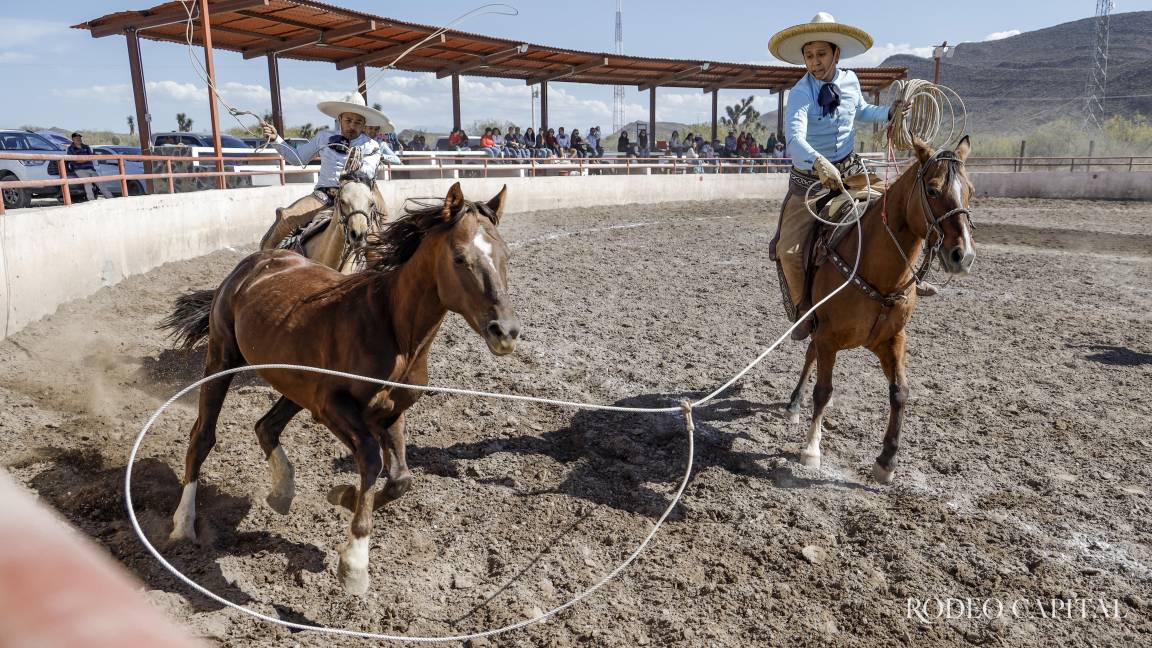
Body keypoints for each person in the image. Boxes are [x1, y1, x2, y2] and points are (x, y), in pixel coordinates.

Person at [767, 12, 909, 340]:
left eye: (821, 54)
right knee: (788, 249)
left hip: (851, 171)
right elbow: (795, 138)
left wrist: (889, 112)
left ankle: (908, 277)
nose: (814, 62)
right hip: (810, 184)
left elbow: (861, 109)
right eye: (808, 55)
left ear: (836, 54)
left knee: (896, 211)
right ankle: (805, 311)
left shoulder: (850, 81)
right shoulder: (801, 92)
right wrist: (818, 162)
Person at [258, 92, 385, 250]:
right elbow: (297, 158)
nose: (352, 125)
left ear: (364, 123)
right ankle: (265, 260)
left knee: (376, 246)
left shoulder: (371, 146)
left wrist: (351, 169)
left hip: (356, 200)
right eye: (348, 120)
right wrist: (276, 139)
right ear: (339, 119)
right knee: (287, 219)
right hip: (324, 197)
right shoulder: (323, 137)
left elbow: (366, 174)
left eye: (358, 122)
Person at [66, 132, 113, 201]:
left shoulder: (86, 147)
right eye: (77, 138)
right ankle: (91, 199)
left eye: (80, 138)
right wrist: (86, 159)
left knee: (100, 182)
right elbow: (74, 161)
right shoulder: (70, 148)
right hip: (79, 169)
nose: (79, 139)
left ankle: (110, 197)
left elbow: (91, 157)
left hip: (90, 168)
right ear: (73, 139)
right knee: (87, 183)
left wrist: (83, 159)